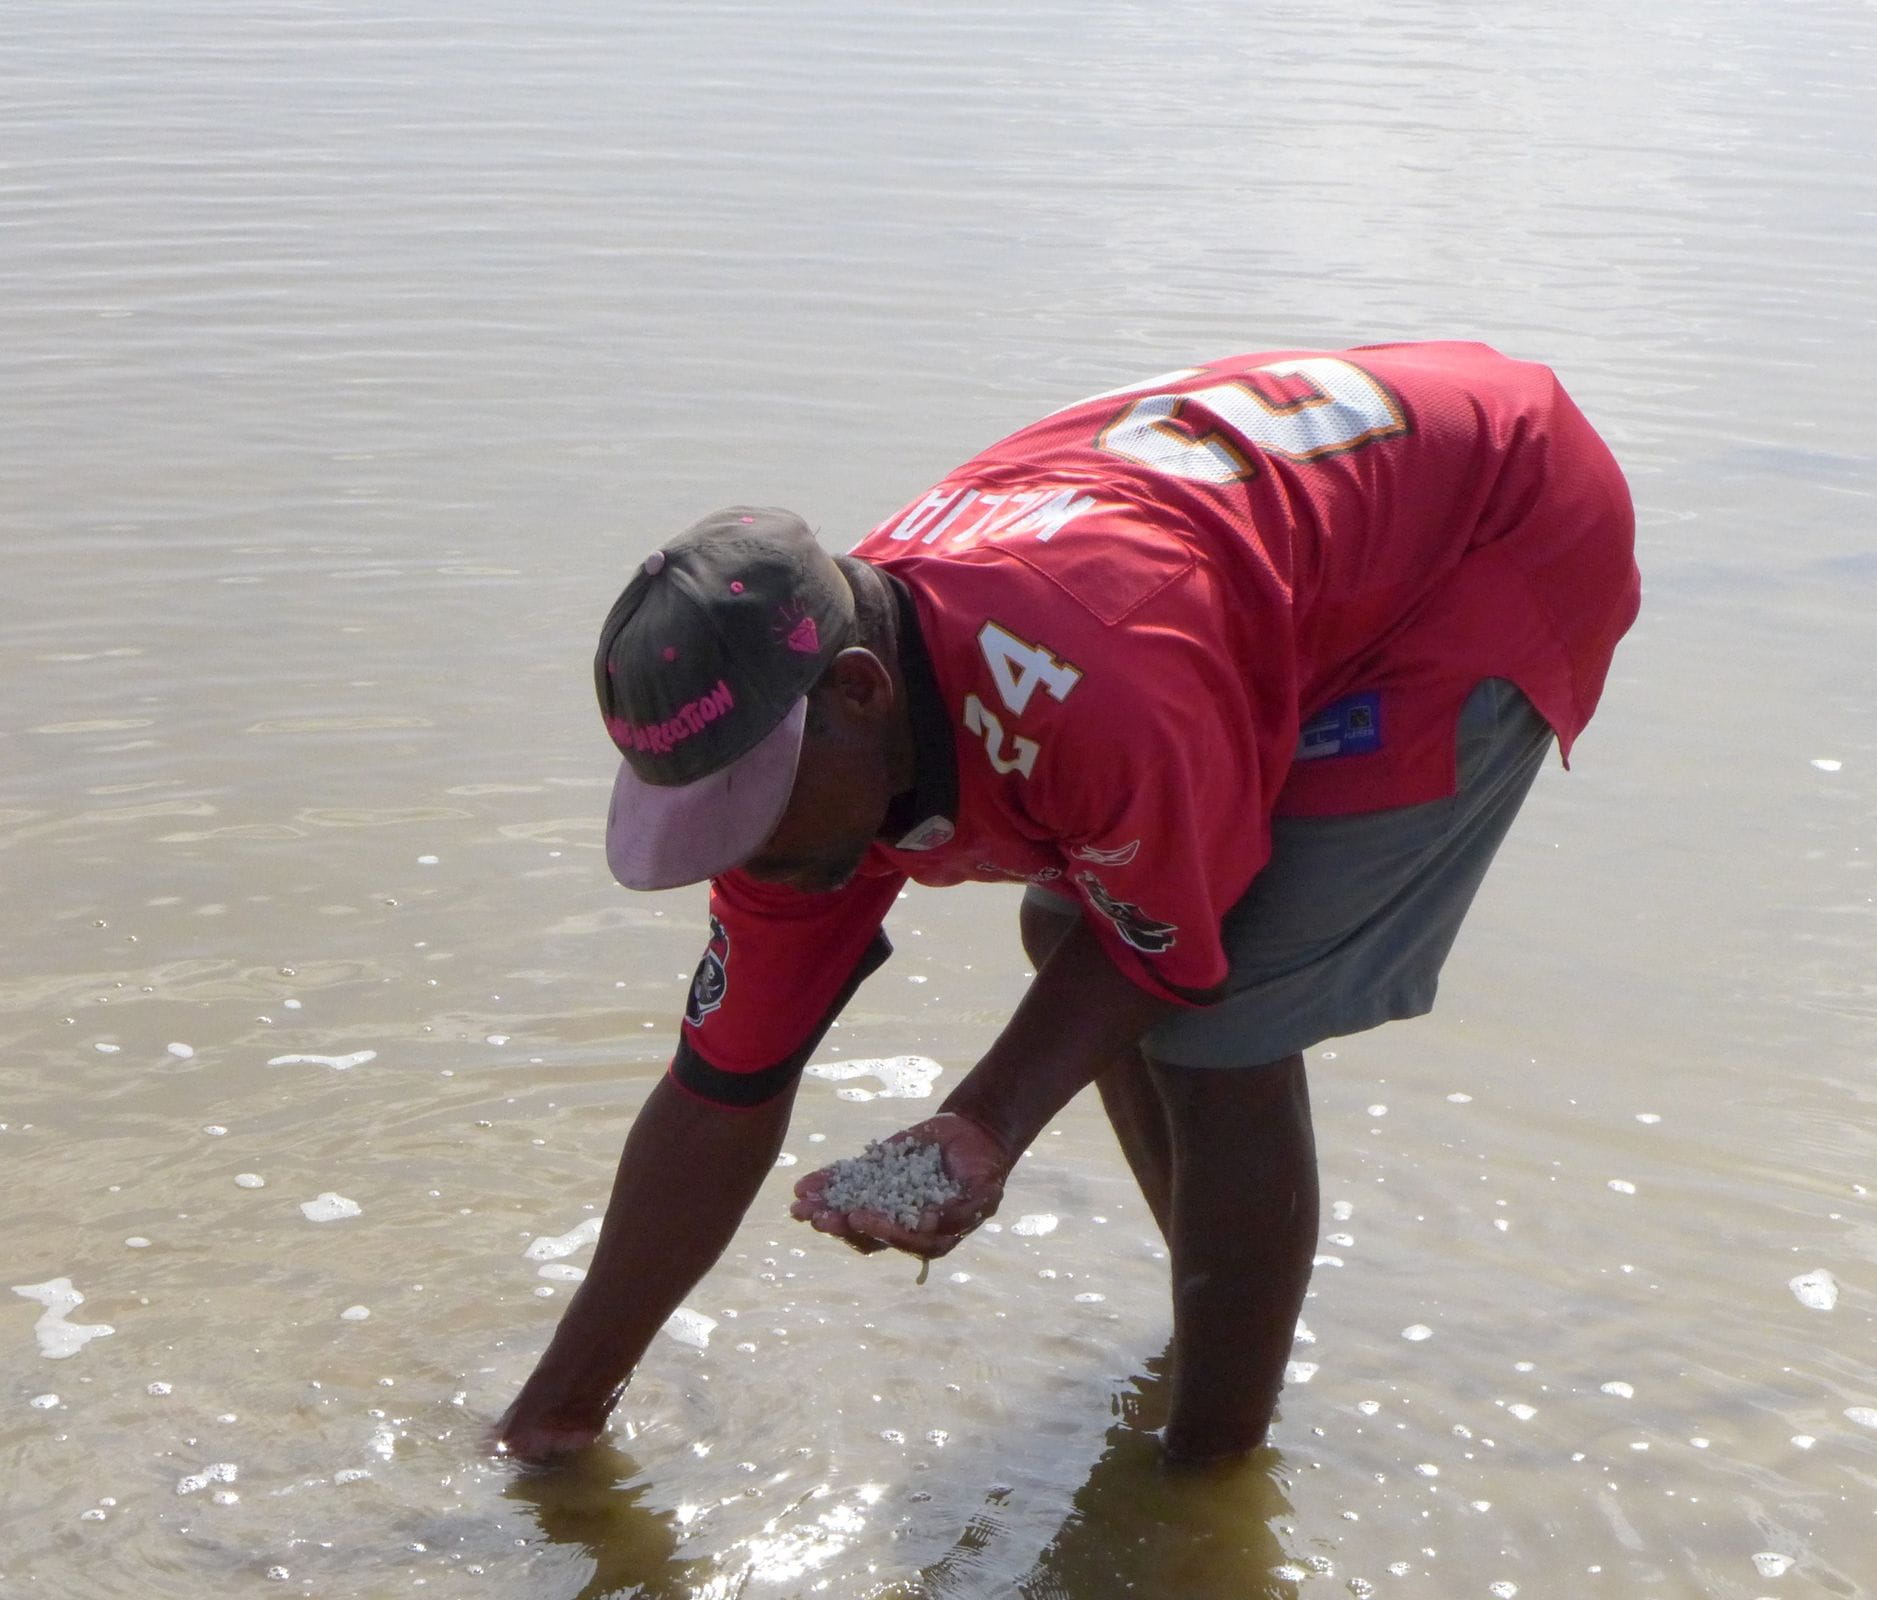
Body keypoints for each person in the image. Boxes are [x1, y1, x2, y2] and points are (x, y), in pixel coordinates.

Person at [493, 341, 1639, 1465]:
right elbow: (718, 1093)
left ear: (859, 691)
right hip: (1224, 566)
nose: (736, 856)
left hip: (1485, 538)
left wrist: (983, 1121)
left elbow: (1169, 945)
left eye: (750, 811)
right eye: (704, 819)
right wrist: (554, 1413)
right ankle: (1218, 1308)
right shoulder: (807, 739)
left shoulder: (1095, 692)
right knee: (1068, 928)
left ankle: (1211, 1469)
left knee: (1212, 1018)